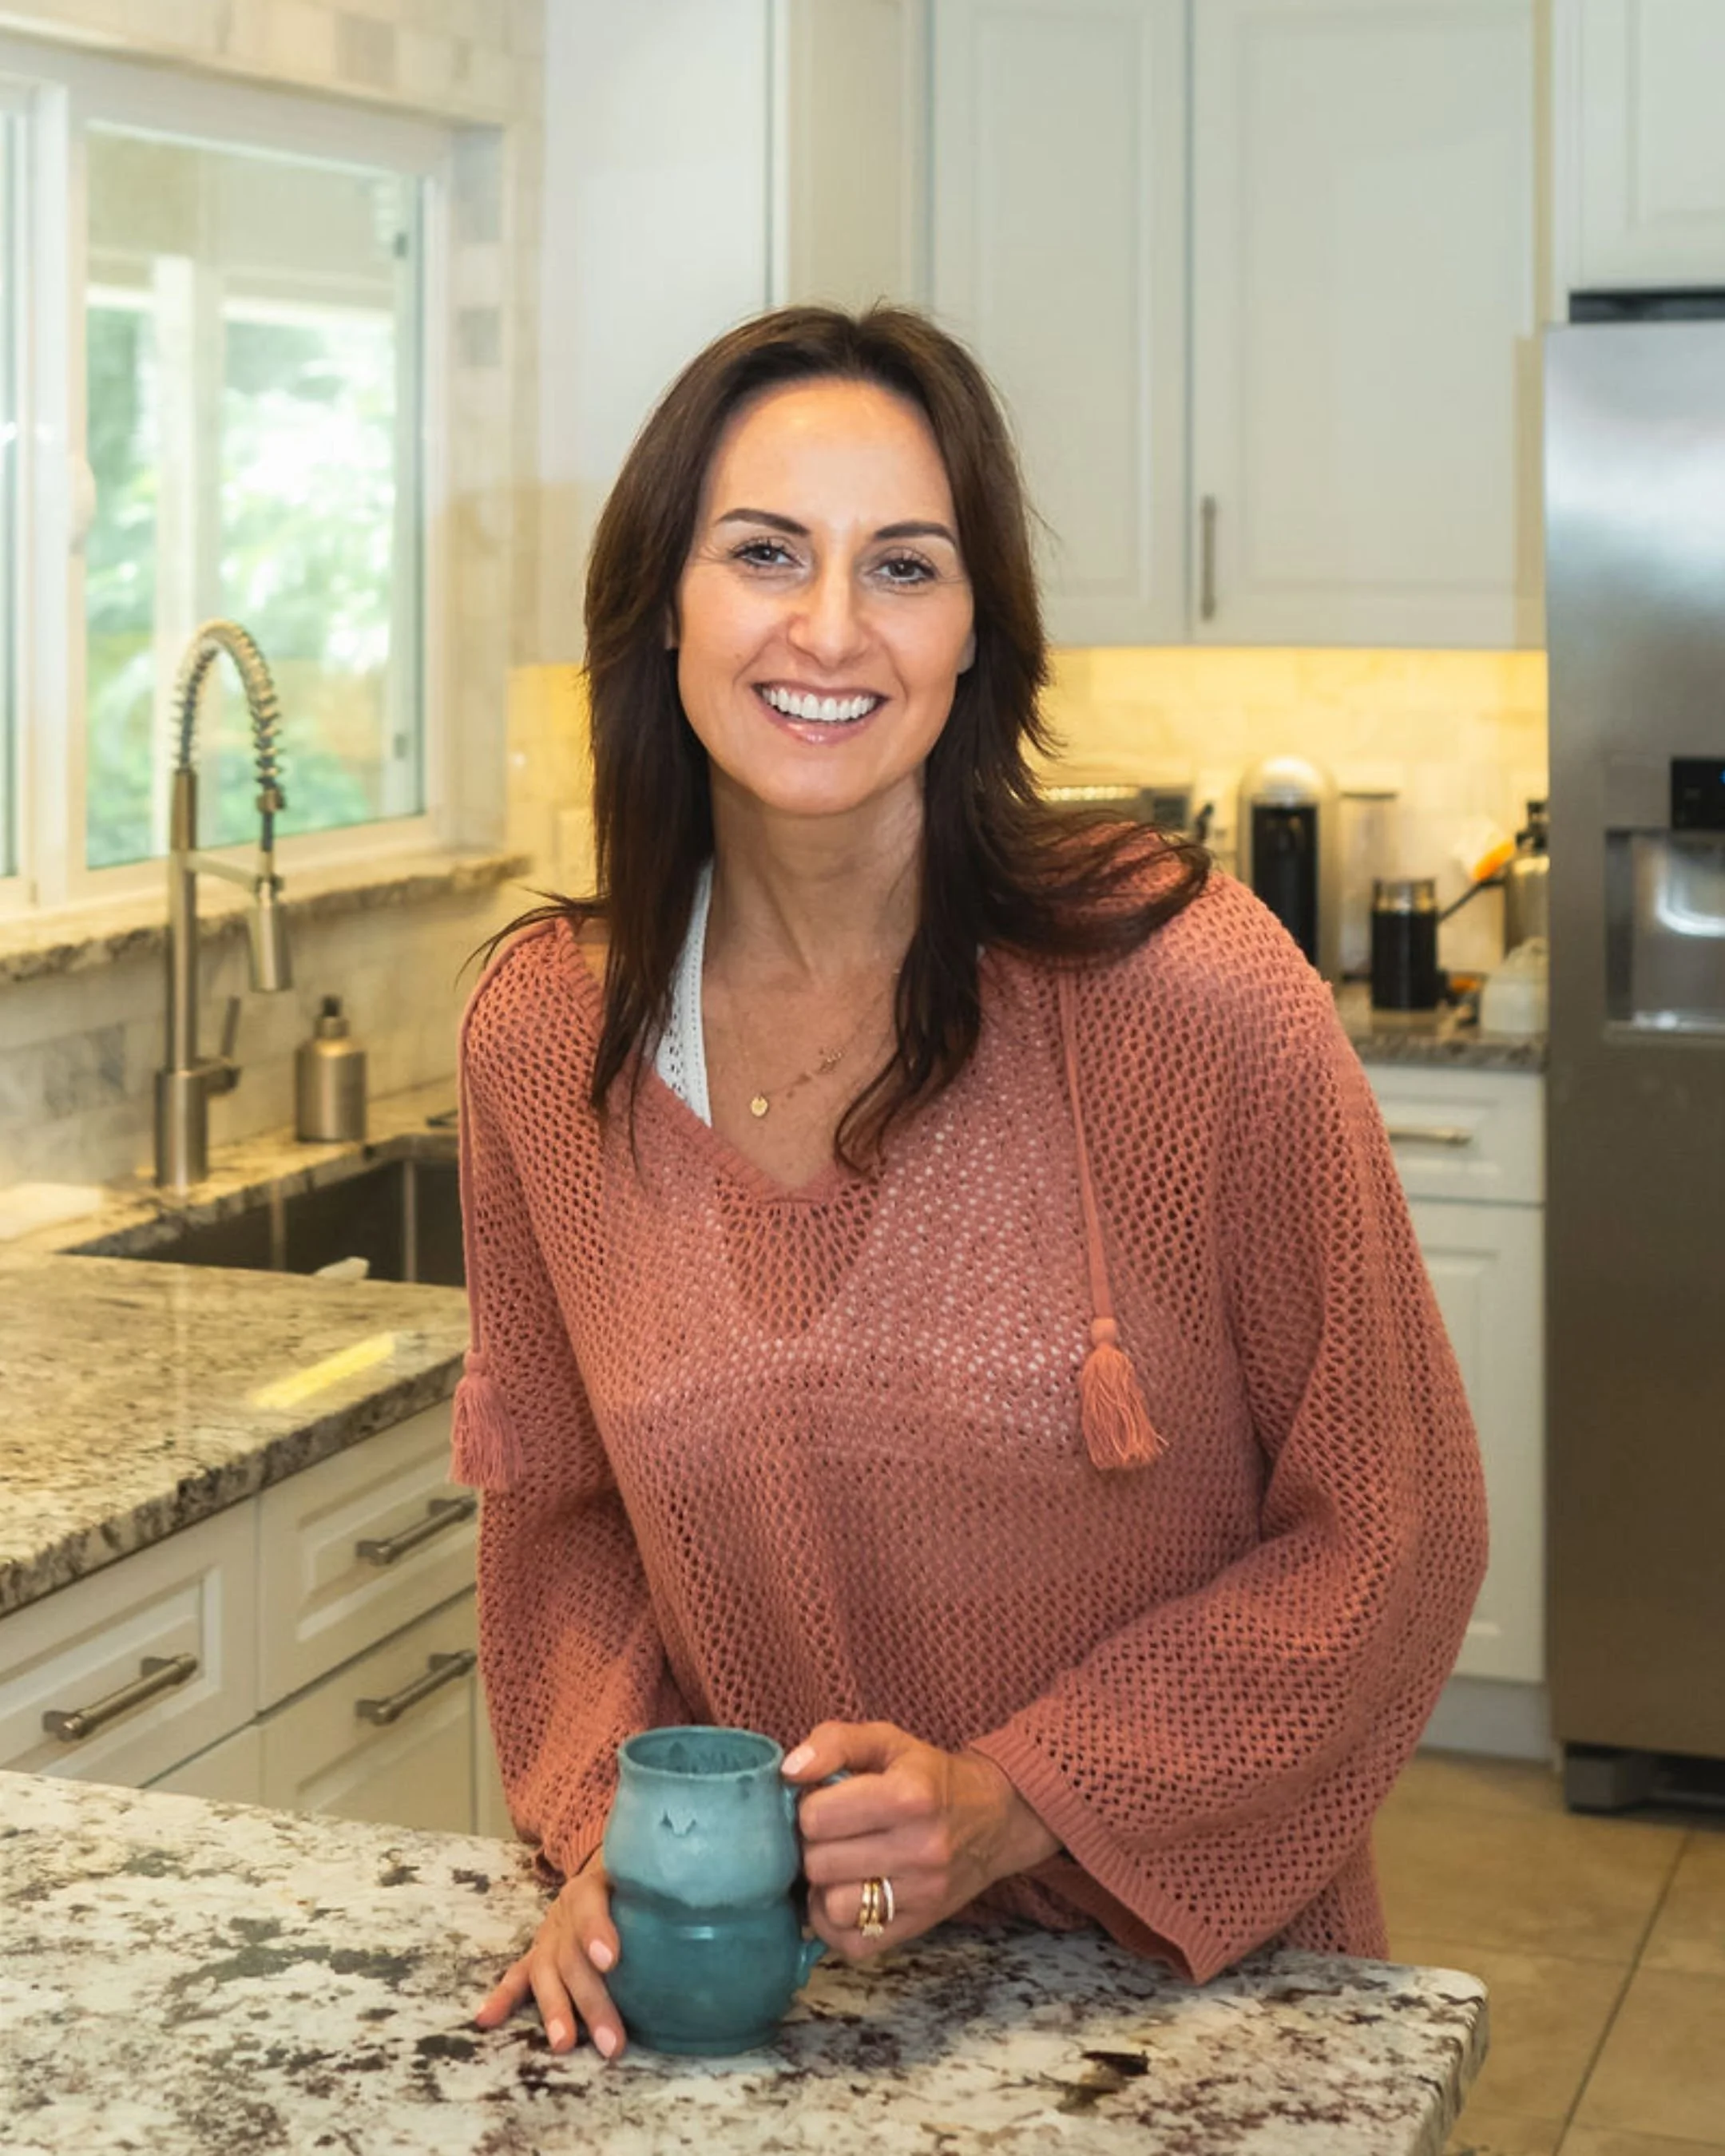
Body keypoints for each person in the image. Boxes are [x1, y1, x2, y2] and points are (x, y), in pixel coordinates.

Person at [457, 305, 1487, 2063]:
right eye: (766, 551)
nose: (832, 627)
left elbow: (1396, 1530)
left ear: (976, 634)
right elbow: (556, 1529)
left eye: (906, 567)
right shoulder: (549, 1042)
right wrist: (613, 1839)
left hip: (1182, 2010)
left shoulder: (1187, 993)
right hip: (760, 2020)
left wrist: (1017, 1797)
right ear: (665, 606)